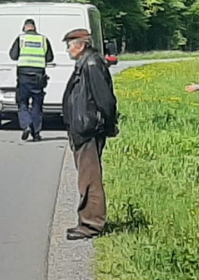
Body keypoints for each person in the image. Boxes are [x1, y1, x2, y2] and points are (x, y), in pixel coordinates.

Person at [62, 29, 117, 241]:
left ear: (82, 45)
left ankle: (91, 224)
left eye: (70, 44)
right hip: (82, 129)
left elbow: (105, 100)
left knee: (90, 178)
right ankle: (87, 220)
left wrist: (108, 125)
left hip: (88, 129)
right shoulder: (85, 63)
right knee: (86, 177)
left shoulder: (92, 64)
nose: (67, 49)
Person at [8, 18, 54, 142]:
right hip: (39, 77)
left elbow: (13, 55)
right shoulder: (43, 39)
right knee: (37, 105)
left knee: (22, 102)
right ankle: (36, 133)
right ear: (34, 28)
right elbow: (50, 57)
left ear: (24, 28)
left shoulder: (21, 39)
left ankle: (26, 125)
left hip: (23, 76)